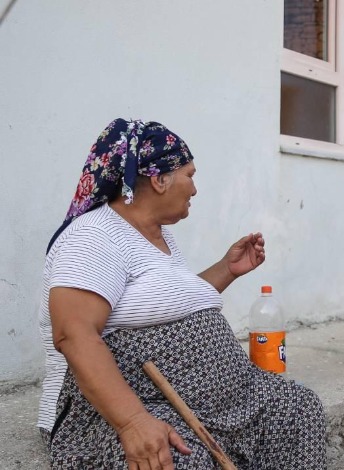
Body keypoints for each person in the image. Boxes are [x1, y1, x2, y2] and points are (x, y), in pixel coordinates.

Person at [38, 119, 327, 469]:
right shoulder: (92, 237)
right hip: (144, 404)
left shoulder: (158, 236)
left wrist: (226, 269)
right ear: (159, 179)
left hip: (228, 401)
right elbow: (74, 333)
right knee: (177, 458)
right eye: (189, 175)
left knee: (298, 409)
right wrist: (133, 421)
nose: (194, 189)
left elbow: (168, 304)